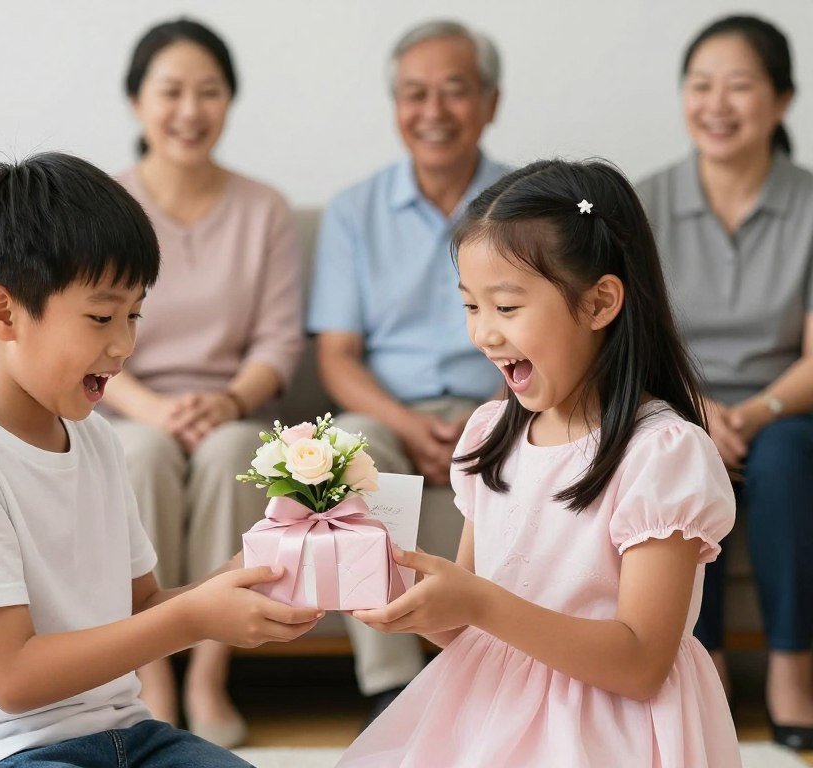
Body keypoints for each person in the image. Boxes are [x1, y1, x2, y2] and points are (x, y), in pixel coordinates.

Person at [0, 153, 322, 768]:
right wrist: (195, 619)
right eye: (100, 317)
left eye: (134, 314)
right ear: (2, 314)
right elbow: (13, 679)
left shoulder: (94, 438)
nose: (125, 344)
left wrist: (244, 573)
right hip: (1, 750)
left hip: (129, 736)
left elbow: (140, 610)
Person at [338, 159, 741, 767]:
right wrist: (407, 596)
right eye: (471, 306)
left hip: (611, 732)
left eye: (506, 307)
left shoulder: (662, 453)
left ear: (600, 302)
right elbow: (476, 631)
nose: (483, 335)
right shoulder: (492, 433)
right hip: (491, 716)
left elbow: (640, 663)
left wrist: (475, 602)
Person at [105, 19, 303, 747]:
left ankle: (209, 676)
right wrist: (152, 409)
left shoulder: (265, 209)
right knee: (140, 454)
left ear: (229, 102)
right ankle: (152, 674)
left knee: (231, 452)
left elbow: (279, 340)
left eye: (209, 92)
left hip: (233, 408)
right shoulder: (104, 205)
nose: (191, 110)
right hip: (126, 403)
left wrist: (226, 401)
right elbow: (88, 335)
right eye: (172, 92)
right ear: (136, 102)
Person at [306, 19, 507, 720]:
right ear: (396, 107)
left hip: (507, 397)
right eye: (415, 94)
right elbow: (337, 354)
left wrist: (489, 413)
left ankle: (503, 672)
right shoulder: (354, 212)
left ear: (490, 101)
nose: (434, 112)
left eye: (454, 92)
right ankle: (391, 683)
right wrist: (406, 423)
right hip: (389, 414)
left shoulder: (530, 205)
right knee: (351, 448)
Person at [636, 15, 813, 751]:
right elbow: (628, 333)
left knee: (785, 460)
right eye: (701, 85)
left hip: (789, 407)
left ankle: (791, 670)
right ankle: (698, 663)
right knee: (672, 450)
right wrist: (699, 409)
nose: (717, 103)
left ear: (782, 99)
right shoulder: (642, 201)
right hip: (675, 401)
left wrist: (755, 410)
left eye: (739, 86)